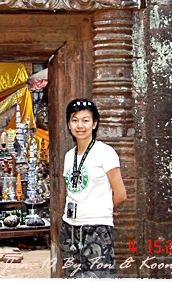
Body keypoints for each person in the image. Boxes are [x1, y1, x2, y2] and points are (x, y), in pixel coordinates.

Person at [60, 99, 126, 278]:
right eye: (75, 120)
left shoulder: (105, 152)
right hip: (69, 228)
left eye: (85, 120)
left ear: (94, 124)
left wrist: (99, 211)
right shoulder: (69, 156)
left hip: (97, 229)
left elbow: (120, 194)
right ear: (69, 124)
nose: (80, 125)